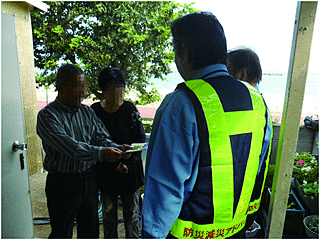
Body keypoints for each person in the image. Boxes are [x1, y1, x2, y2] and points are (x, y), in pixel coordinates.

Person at [141, 12, 272, 239]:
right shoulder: (257, 101)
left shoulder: (181, 103)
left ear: (184, 51)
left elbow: (165, 189)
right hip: (238, 230)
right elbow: (258, 166)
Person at [36, 64, 132, 238]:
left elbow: (102, 137)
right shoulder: (47, 116)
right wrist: (103, 153)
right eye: (76, 87)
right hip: (62, 183)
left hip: (89, 180)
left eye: (84, 87)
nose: (82, 92)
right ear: (60, 87)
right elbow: (71, 147)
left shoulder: (87, 112)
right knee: (61, 232)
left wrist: (117, 148)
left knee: (90, 231)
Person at [91, 67, 145, 238]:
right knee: (108, 217)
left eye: (120, 87)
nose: (117, 92)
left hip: (130, 172)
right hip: (106, 174)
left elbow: (140, 140)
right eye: (112, 87)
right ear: (103, 89)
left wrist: (127, 164)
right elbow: (92, 140)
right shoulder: (95, 111)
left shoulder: (129, 109)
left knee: (131, 215)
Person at [227, 47, 273, 237]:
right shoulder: (257, 104)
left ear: (243, 74)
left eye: (228, 71)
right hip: (246, 200)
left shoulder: (251, 107)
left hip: (240, 201)